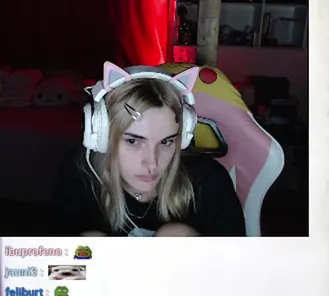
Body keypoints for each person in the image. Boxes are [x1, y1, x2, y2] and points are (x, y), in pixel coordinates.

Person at [51, 61, 245, 237]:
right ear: (101, 135)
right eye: (133, 141)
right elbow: (54, 262)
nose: (152, 163)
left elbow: (239, 262)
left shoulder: (208, 180)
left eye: (166, 142)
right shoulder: (81, 173)